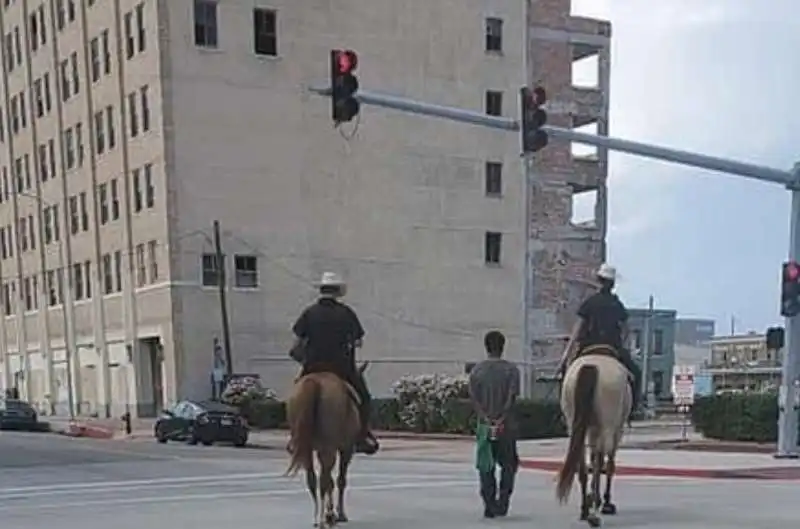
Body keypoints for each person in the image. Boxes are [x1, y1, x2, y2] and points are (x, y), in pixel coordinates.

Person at [290, 271, 379, 455]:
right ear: (338, 292)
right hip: (341, 368)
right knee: (364, 397)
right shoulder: (346, 313)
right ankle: (363, 435)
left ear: (321, 290)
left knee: (294, 396)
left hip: (312, 366)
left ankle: (294, 437)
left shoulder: (309, 313)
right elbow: (358, 341)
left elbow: (296, 344)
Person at [557, 263, 642, 414]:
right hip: (612, 348)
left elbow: (576, 332)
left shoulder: (589, 303)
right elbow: (627, 331)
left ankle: (565, 410)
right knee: (636, 374)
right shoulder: (617, 305)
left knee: (567, 374)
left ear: (598, 280)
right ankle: (633, 409)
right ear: (613, 284)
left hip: (587, 348)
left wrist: (565, 358)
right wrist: (626, 348)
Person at [468, 330, 520, 519]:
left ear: (486, 346)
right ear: (503, 346)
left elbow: (473, 398)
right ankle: (503, 501)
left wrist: (485, 418)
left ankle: (489, 503)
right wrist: (501, 418)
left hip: (484, 425)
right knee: (508, 464)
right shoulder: (511, 370)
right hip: (507, 426)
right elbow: (512, 397)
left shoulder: (477, 371)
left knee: (486, 464)